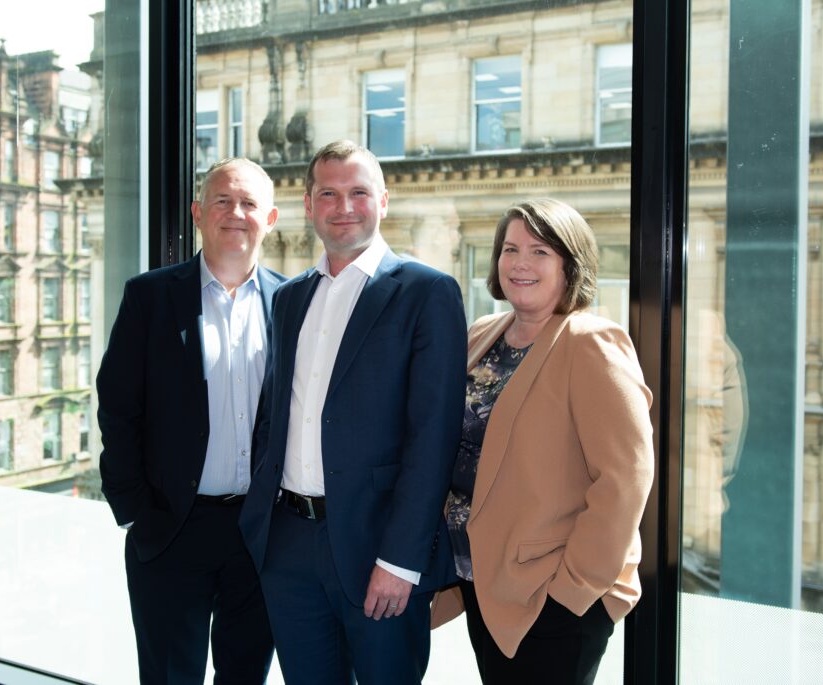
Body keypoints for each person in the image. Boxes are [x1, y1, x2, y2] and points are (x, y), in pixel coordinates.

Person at [239, 140, 467, 685]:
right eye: (330, 193)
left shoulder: (426, 293)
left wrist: (400, 560)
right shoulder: (289, 297)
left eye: (359, 192)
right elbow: (275, 413)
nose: (345, 206)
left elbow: (433, 440)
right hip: (287, 544)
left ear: (383, 201)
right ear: (309, 202)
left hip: (378, 549)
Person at [431, 199, 654, 684]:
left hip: (550, 594)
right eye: (510, 249)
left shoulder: (590, 341)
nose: (520, 264)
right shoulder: (482, 335)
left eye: (540, 251)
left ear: (570, 265)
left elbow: (625, 479)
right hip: (485, 581)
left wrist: (573, 590)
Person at [97, 158, 283, 684]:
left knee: (245, 674)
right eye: (223, 200)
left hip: (257, 534)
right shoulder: (150, 297)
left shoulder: (292, 301)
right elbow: (117, 406)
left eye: (249, 203)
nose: (236, 213)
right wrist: (133, 508)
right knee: (169, 676)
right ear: (199, 213)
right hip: (171, 527)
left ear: (270, 218)